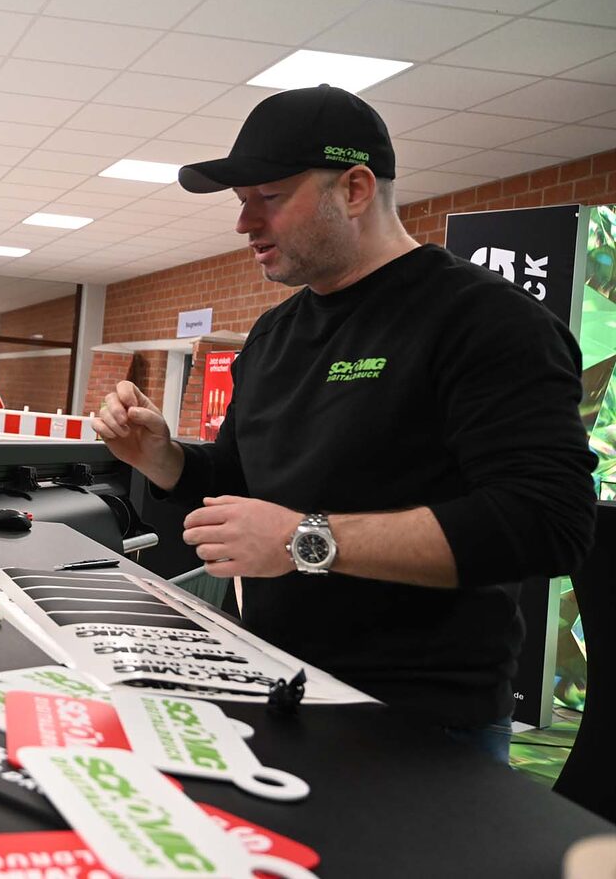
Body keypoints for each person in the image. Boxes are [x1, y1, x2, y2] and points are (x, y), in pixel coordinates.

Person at [93, 85, 595, 763]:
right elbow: (241, 486)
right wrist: (164, 458)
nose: (244, 224)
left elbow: (547, 522)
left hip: (420, 731)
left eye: (266, 197)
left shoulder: (485, 321)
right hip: (276, 688)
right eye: (240, 203)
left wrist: (308, 541)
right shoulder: (274, 335)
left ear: (355, 188)